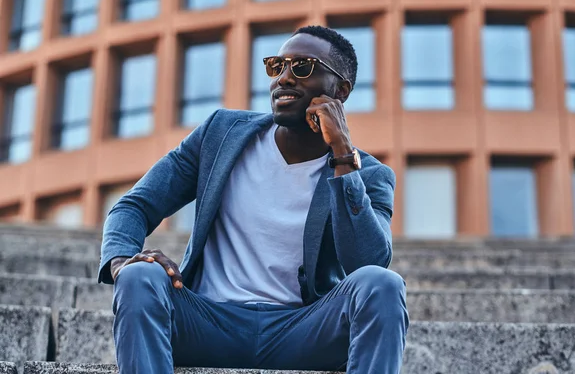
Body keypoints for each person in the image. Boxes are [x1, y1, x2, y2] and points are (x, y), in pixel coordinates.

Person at [98, 25, 409, 374]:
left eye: (303, 67)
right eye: (277, 67)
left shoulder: (368, 173)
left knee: (384, 285)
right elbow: (134, 205)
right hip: (207, 323)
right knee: (139, 276)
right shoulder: (220, 134)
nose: (285, 79)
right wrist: (120, 261)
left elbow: (368, 263)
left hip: (300, 331)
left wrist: (342, 157)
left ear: (341, 90)